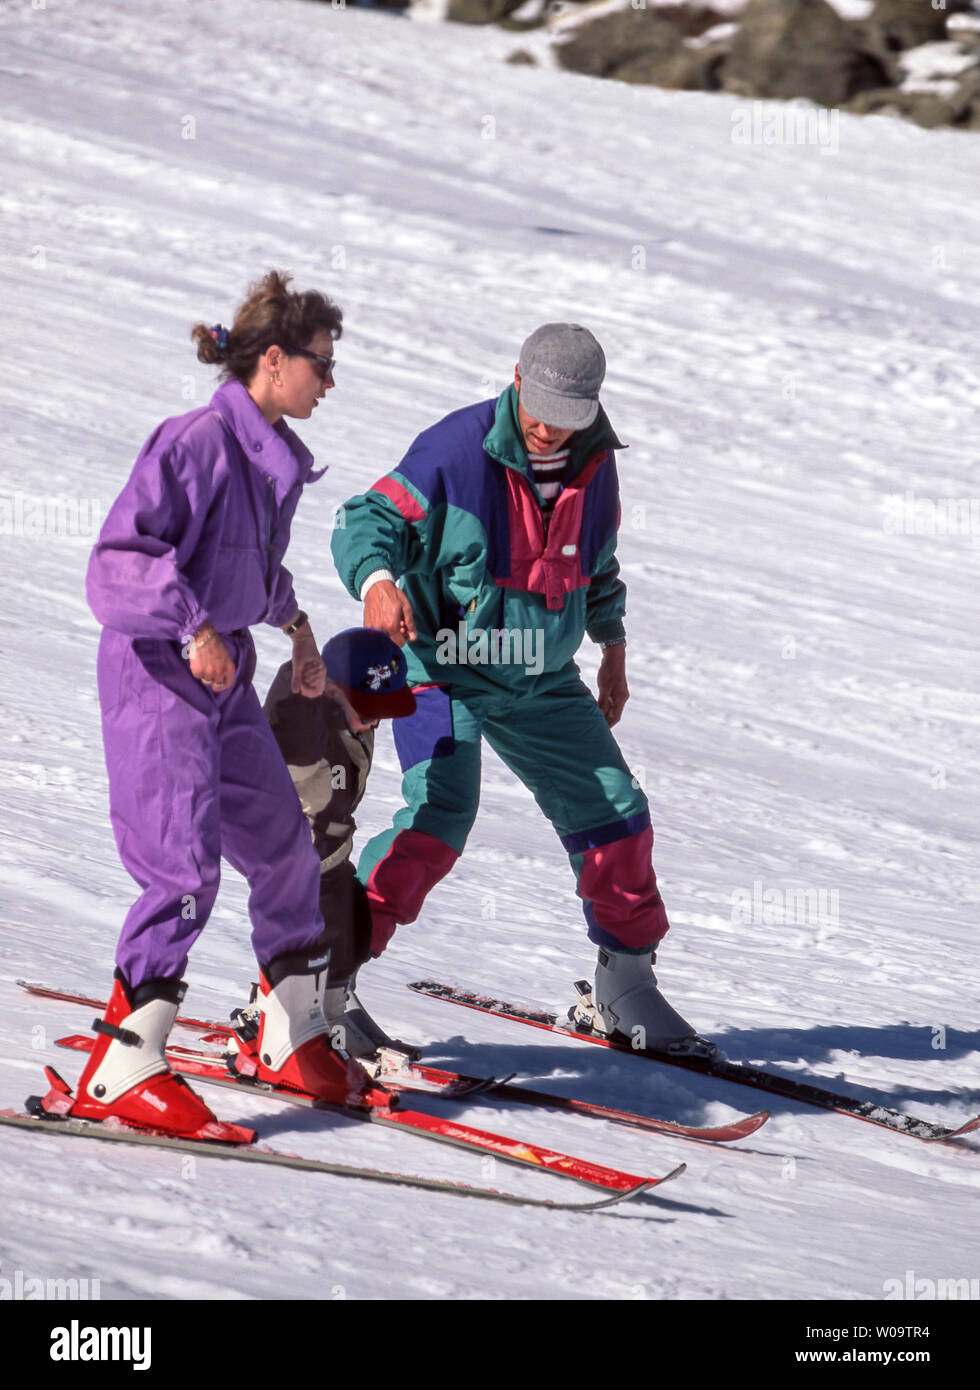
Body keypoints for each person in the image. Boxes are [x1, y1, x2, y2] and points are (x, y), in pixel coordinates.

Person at [331, 323, 714, 1056]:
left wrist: (614, 651)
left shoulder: (594, 463)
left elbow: (598, 567)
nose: (545, 430)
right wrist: (379, 583)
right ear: (514, 379)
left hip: (538, 674)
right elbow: (365, 520)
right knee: (439, 814)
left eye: (563, 418)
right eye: (535, 410)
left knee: (616, 813)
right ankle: (316, 983)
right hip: (442, 662)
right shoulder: (454, 452)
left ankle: (624, 987)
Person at [70, 271, 383, 1142]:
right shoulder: (197, 441)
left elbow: (246, 566)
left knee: (284, 842)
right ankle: (122, 1062)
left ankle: (286, 1034)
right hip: (157, 672)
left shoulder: (267, 458)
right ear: (273, 360)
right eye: (322, 364)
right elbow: (117, 564)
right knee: (181, 868)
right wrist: (193, 625)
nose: (330, 381)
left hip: (221, 672)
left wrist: (298, 625)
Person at [227, 627, 420, 1069]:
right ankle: (276, 1020)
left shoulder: (352, 716)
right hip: (283, 849)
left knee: (351, 924)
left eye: (381, 712)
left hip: (327, 851)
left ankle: (330, 1021)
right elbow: (277, 725)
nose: (374, 722)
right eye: (368, 710)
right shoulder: (304, 716)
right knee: (310, 927)